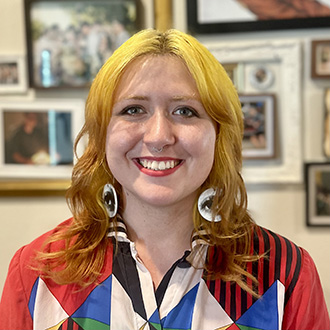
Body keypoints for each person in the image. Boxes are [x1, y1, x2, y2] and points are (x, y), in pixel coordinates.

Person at [0, 29, 329, 330]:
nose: (158, 136)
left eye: (185, 111)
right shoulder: (37, 270)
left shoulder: (284, 274)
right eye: (133, 110)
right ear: (101, 134)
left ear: (219, 134)